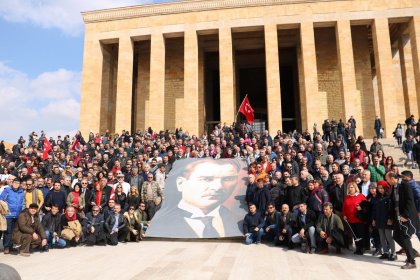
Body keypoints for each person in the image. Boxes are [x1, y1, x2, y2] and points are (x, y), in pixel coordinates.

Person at [147, 159, 245, 238]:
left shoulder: (235, 220)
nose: (218, 187)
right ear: (180, 183)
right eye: (206, 179)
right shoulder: (162, 222)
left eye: (227, 179)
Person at [386, 172, 420, 269]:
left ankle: (411, 262)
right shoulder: (393, 187)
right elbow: (393, 204)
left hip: (406, 217)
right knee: (396, 236)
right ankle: (413, 252)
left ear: (393, 178)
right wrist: (390, 218)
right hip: (397, 217)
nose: (387, 181)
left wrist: (405, 215)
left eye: (387, 179)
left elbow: (410, 201)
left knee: (405, 237)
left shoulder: (405, 186)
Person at [0, 178, 25, 254]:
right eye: (15, 182)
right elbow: (0, 200)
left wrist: (22, 212)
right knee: (8, 231)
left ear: (20, 184)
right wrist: (5, 205)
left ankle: (11, 246)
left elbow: (23, 203)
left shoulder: (21, 192)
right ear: (12, 183)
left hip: (17, 215)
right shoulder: (7, 190)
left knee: (14, 231)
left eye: (18, 183)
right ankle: (6, 247)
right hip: (8, 214)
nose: (16, 184)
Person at [372, 183, 396, 261]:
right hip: (379, 220)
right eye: (379, 188)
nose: (380, 190)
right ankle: (385, 252)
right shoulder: (378, 197)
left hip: (387, 220)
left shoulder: (389, 197)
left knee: (389, 237)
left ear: (385, 188)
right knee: (382, 237)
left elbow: (392, 210)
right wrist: (374, 219)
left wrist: (390, 218)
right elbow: (375, 210)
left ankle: (393, 253)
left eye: (382, 188)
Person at [342, 182, 367, 255]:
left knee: (360, 234)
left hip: (359, 219)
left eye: (352, 187)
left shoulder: (361, 196)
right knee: (355, 234)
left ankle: (362, 248)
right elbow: (344, 208)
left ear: (355, 188)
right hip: (350, 219)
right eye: (349, 187)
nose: (350, 189)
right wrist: (344, 215)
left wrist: (361, 208)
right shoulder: (347, 197)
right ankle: (357, 248)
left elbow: (366, 206)